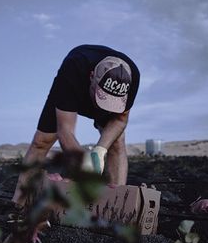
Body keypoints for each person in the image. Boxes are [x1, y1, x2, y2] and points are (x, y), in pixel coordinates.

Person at [12, 44, 140, 206]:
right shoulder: (74, 68)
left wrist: (99, 151)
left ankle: (117, 206)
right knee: (41, 141)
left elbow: (120, 120)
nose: (103, 109)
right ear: (91, 76)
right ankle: (19, 204)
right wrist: (83, 164)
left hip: (103, 93)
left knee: (117, 143)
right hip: (74, 88)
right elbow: (64, 130)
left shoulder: (132, 76)